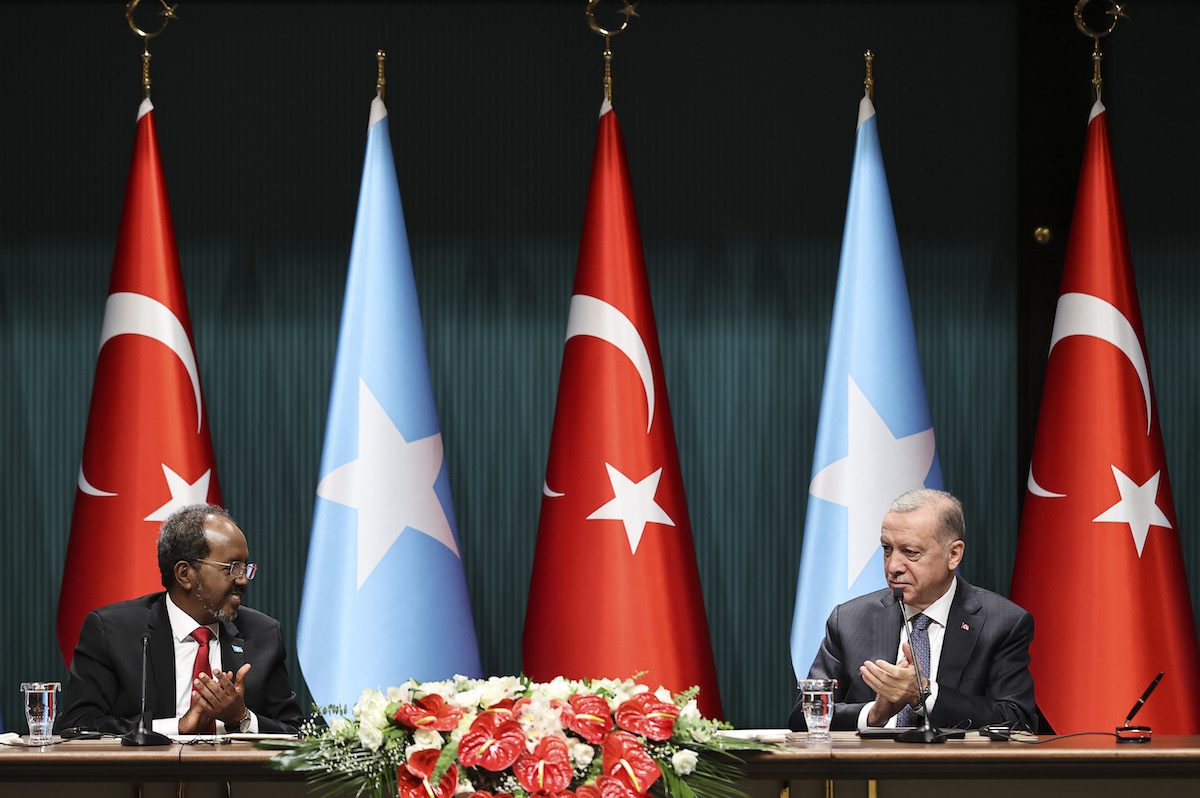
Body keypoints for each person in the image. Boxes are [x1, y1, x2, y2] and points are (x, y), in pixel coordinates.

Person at [789, 489, 1037, 732]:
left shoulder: (1002, 623)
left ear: (953, 554)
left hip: (957, 771)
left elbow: (1017, 720)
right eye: (887, 549)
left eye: (910, 552)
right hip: (868, 770)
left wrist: (924, 695)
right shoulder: (849, 621)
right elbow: (805, 715)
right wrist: (873, 714)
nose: (894, 566)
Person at [57, 504, 303, 735]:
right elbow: (78, 726)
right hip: (144, 780)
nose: (243, 580)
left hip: (236, 779)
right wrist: (177, 726)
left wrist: (242, 717)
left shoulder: (263, 635)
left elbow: (296, 732)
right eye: (232, 567)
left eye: (245, 567)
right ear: (185, 574)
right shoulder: (113, 632)